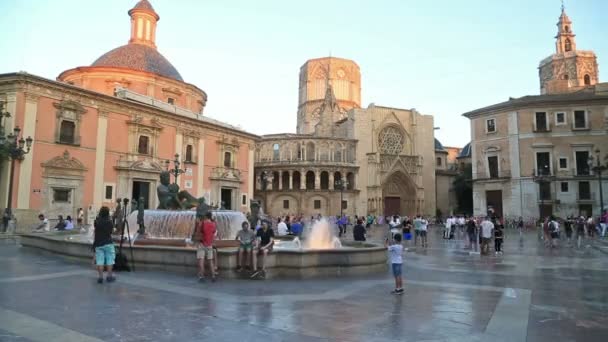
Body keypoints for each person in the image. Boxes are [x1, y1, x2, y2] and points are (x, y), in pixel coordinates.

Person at [93, 206, 116, 284]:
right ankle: (109, 276)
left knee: (100, 261)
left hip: (99, 243)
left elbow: (95, 231)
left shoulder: (97, 221)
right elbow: (111, 232)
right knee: (110, 260)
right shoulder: (110, 221)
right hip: (108, 243)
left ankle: (100, 277)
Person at [197, 212, 217, 282]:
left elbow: (198, 232)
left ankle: (202, 276)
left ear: (205, 216)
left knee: (201, 261)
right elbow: (214, 232)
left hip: (202, 244)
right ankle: (213, 276)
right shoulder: (213, 224)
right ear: (210, 216)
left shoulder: (202, 223)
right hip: (209, 245)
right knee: (210, 261)